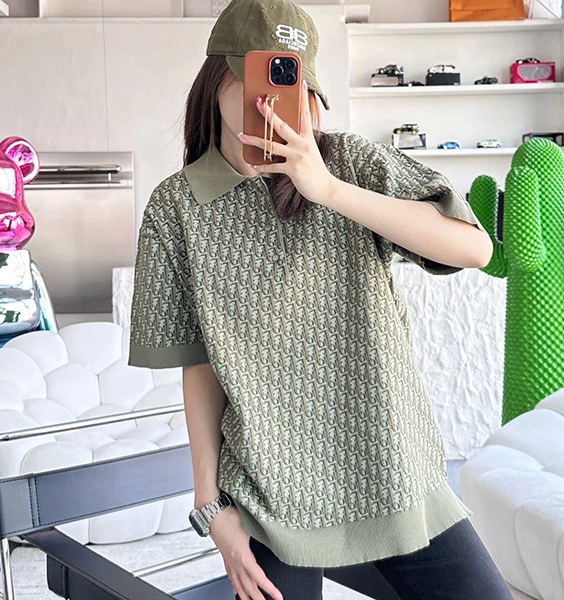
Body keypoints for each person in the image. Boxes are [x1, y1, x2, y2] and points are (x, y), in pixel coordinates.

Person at [127, 0, 513, 599]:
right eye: (258, 78)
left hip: (393, 471)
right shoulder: (176, 207)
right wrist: (211, 505)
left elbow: (474, 248)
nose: (271, 101)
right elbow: (199, 362)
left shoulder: (349, 163)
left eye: (291, 83)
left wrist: (327, 188)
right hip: (268, 497)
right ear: (216, 78)